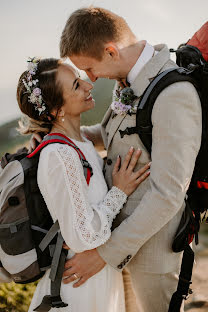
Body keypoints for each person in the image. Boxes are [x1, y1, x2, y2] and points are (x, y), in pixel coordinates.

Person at [56, 7, 202, 312]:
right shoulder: (128, 79)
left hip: (152, 257)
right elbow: (112, 132)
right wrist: (60, 137)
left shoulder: (174, 93)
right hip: (118, 239)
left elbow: (168, 194)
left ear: (110, 51)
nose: (91, 79)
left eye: (90, 68)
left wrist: (103, 254)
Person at [17, 57, 150, 312]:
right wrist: (119, 192)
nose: (89, 85)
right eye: (77, 85)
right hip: (78, 284)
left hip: (96, 275)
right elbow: (82, 236)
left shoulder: (80, 144)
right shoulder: (59, 155)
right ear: (57, 111)